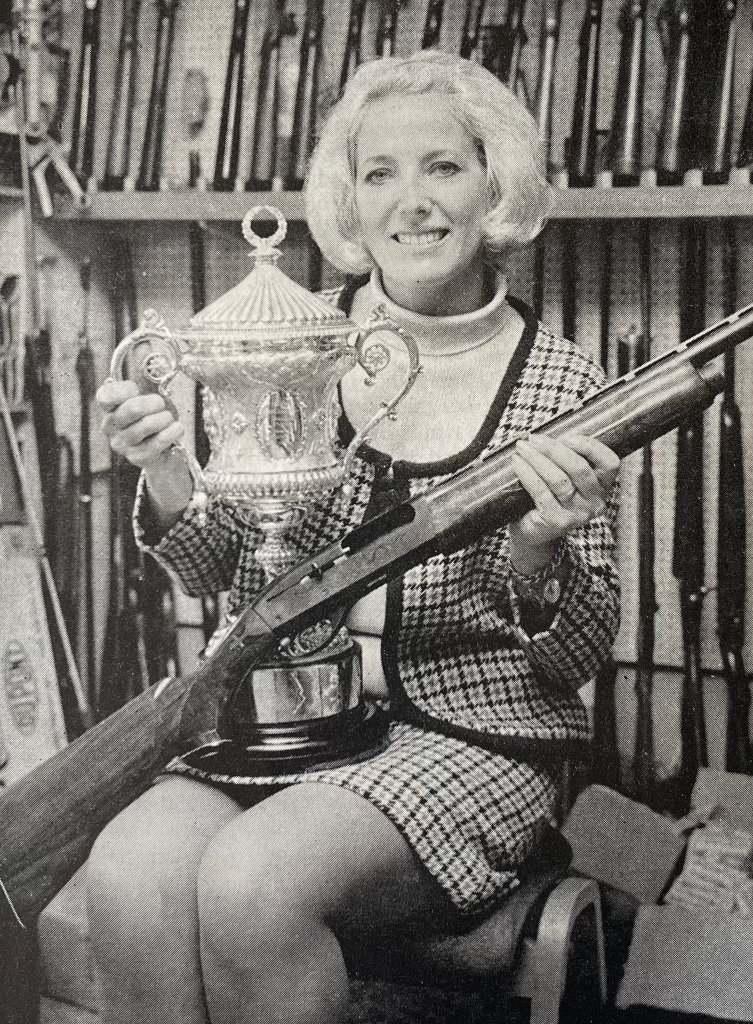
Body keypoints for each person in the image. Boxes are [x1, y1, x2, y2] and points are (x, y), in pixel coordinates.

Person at [88, 50, 620, 1024]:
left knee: (254, 885)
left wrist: (540, 551)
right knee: (128, 873)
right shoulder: (294, 340)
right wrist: (166, 471)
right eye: (379, 173)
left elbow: (574, 660)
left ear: (495, 185)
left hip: (471, 741)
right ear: (350, 201)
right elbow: (218, 570)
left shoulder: (566, 383)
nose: (411, 202)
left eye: (442, 167)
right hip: (288, 724)